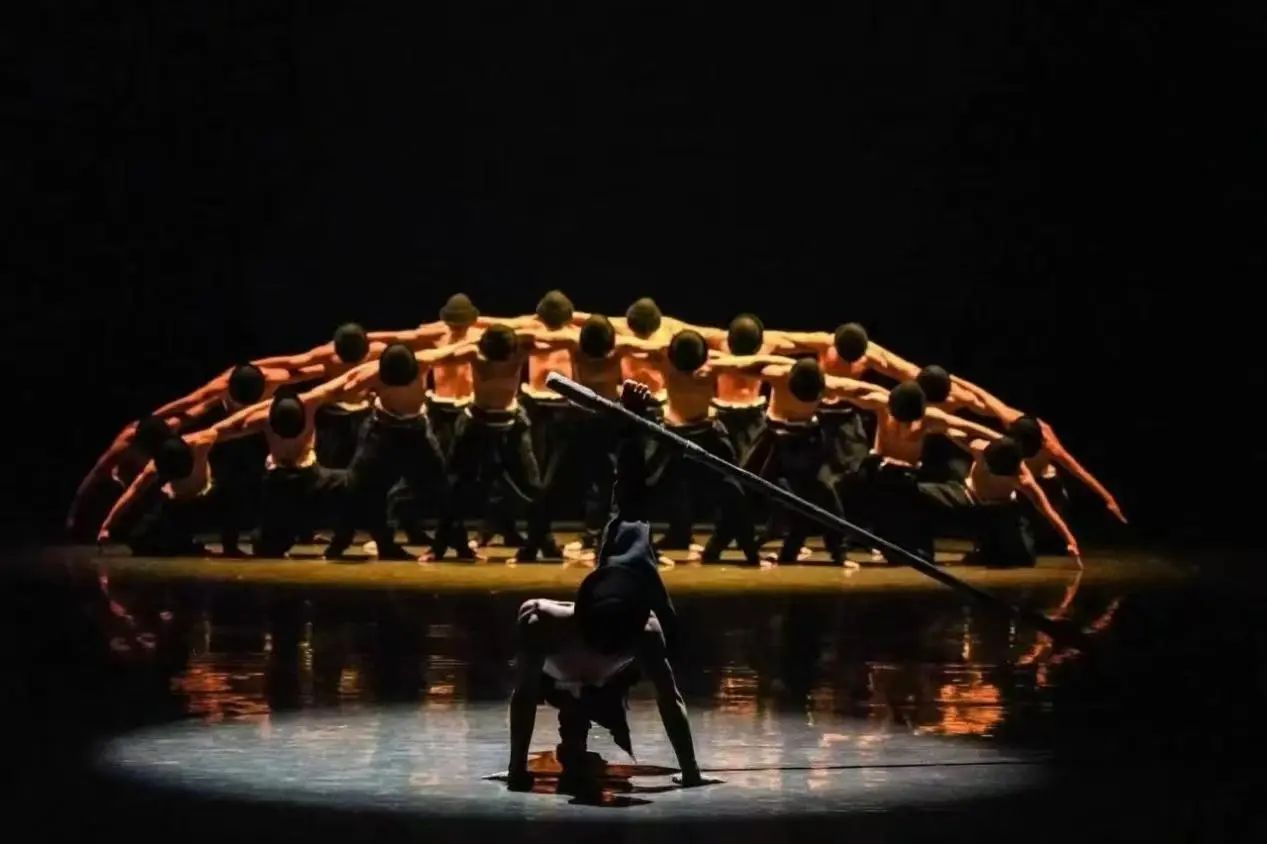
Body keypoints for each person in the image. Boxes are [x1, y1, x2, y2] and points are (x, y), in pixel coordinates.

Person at [507, 380, 718, 796]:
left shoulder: (629, 627)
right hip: (579, 674)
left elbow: (670, 700)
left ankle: (638, 438)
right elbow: (525, 695)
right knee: (629, 532)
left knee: (629, 533)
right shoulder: (543, 621)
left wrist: (518, 771)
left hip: (608, 675)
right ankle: (638, 437)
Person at [616, 329, 764, 564]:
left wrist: (720, 362)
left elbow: (750, 363)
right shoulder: (679, 363)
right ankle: (643, 548)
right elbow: (628, 346)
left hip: (705, 434)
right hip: (670, 434)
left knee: (735, 491)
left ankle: (743, 553)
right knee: (639, 488)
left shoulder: (703, 367)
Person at [433, 324, 575, 561]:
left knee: (533, 488)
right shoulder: (475, 355)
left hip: (511, 425)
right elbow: (441, 356)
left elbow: (553, 339)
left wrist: (530, 334)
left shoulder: (518, 351)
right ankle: (442, 546)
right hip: (477, 424)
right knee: (456, 486)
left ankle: (542, 545)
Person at [194, 379, 363, 557]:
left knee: (351, 485)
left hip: (305, 477)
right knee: (266, 547)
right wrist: (198, 438)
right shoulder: (267, 415)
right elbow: (227, 429)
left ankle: (338, 542)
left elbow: (341, 384)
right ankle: (282, 537)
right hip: (281, 481)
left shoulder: (305, 404)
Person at [735, 356, 879, 565]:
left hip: (806, 442)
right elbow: (739, 365)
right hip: (774, 440)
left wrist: (898, 397)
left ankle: (833, 553)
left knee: (825, 496)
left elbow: (862, 390)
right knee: (745, 489)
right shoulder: (778, 375)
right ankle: (733, 548)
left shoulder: (828, 384)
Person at [323, 344, 456, 561]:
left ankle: (447, 545)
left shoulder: (423, 361)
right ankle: (351, 542)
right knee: (358, 486)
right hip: (382, 431)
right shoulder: (373, 373)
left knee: (442, 488)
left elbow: (455, 351)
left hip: (417, 431)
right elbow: (344, 388)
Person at [950, 376, 1128, 526]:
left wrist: (1108, 499)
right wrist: (952, 378)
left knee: (1047, 498)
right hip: (1017, 472)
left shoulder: (1053, 449)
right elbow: (982, 395)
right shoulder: (1011, 419)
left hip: (1043, 473)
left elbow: (1081, 473)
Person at [917, 436, 1083, 568]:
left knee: (1023, 559)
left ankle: (988, 549)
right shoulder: (978, 448)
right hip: (968, 499)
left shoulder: (1022, 479)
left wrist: (1070, 540)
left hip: (1000, 512)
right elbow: (949, 429)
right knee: (916, 492)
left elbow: (1047, 510)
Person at [96, 433, 219, 556]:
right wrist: (106, 527)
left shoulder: (204, 441)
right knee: (144, 538)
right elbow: (132, 493)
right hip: (178, 502)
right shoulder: (153, 469)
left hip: (206, 495)